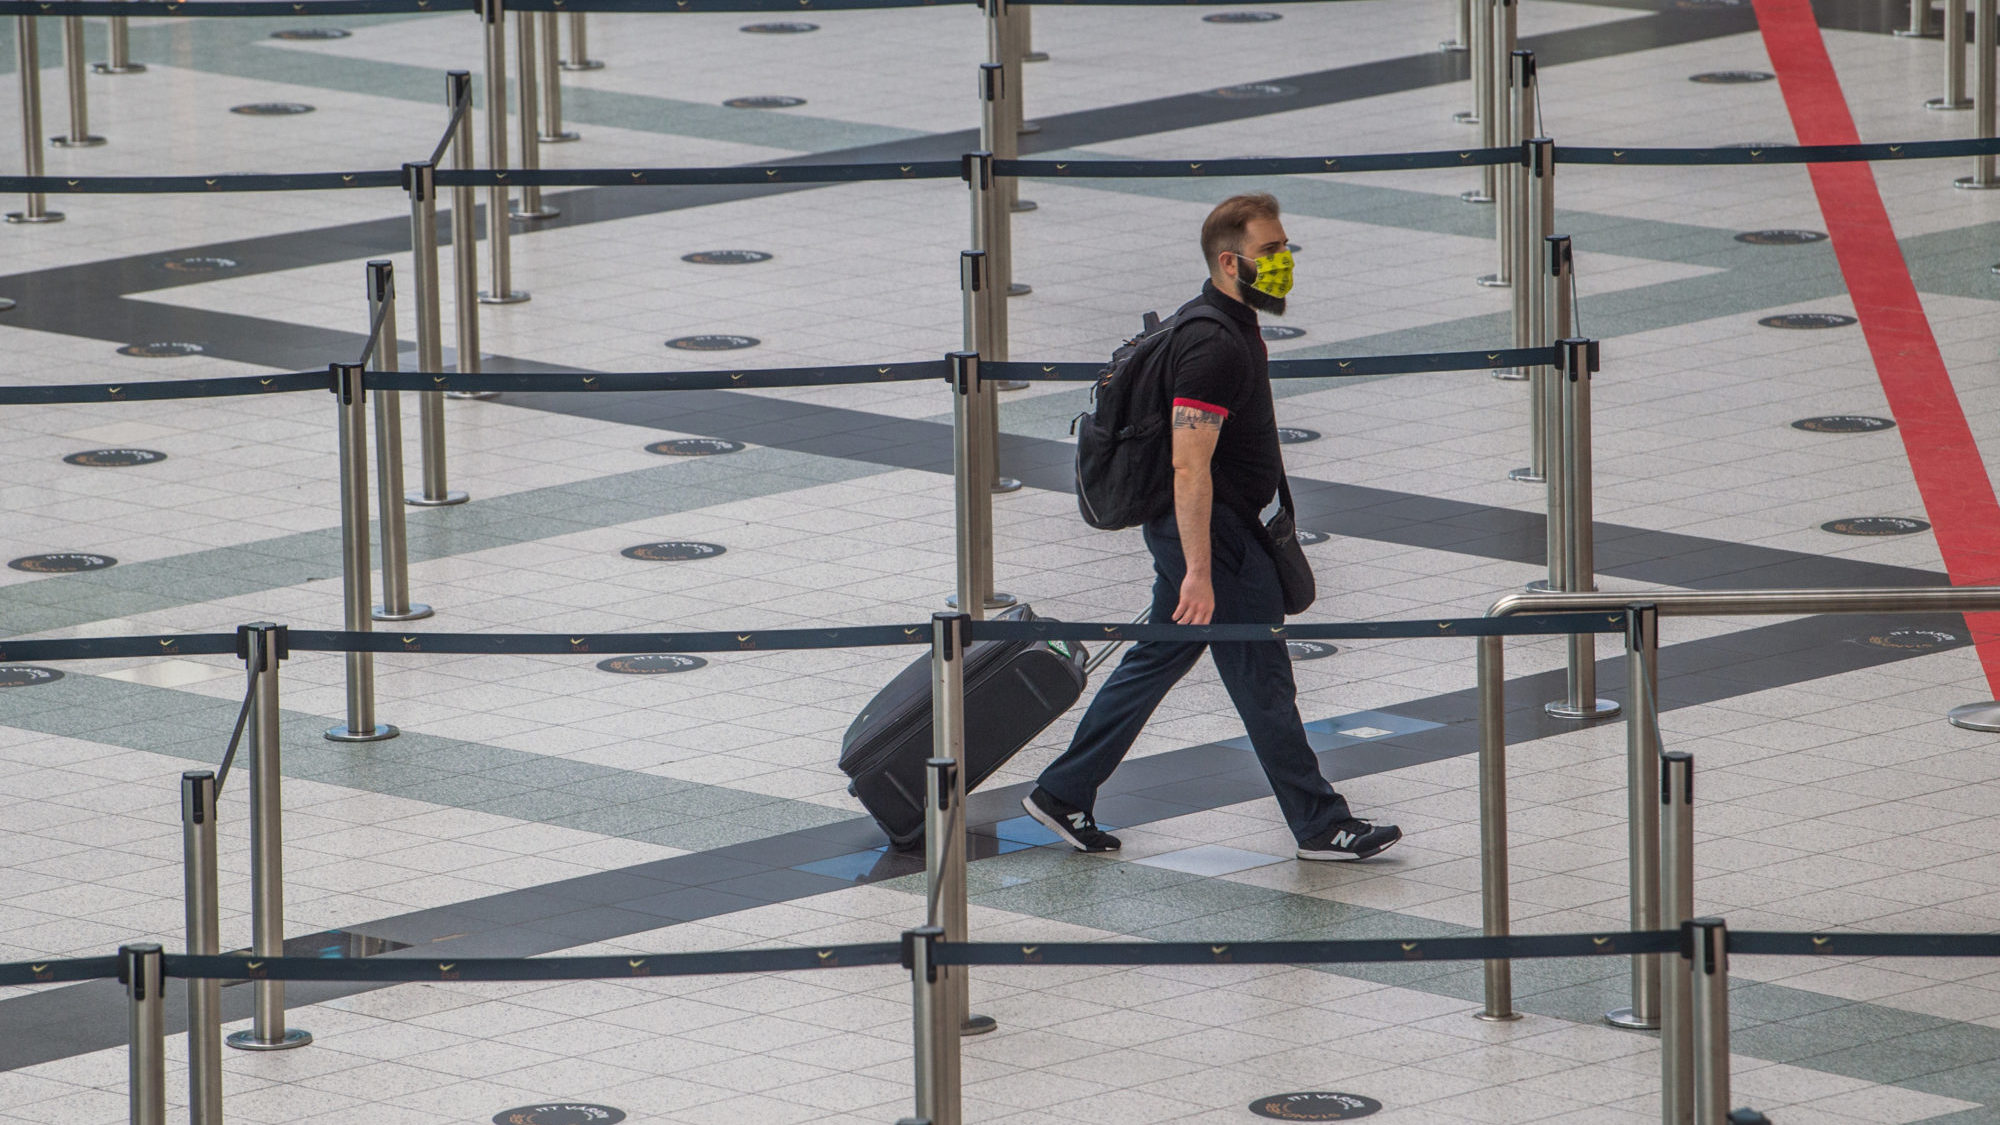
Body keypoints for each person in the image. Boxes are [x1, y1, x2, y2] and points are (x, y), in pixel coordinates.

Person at [1022, 192, 1402, 862]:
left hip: (1206, 531)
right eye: (1271, 252)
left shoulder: (1222, 322)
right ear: (1230, 262)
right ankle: (1319, 822)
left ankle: (1063, 789)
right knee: (1263, 677)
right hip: (1215, 538)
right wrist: (1198, 569)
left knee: (1158, 657)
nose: (1284, 262)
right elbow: (1189, 466)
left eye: (1285, 248)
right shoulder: (1213, 346)